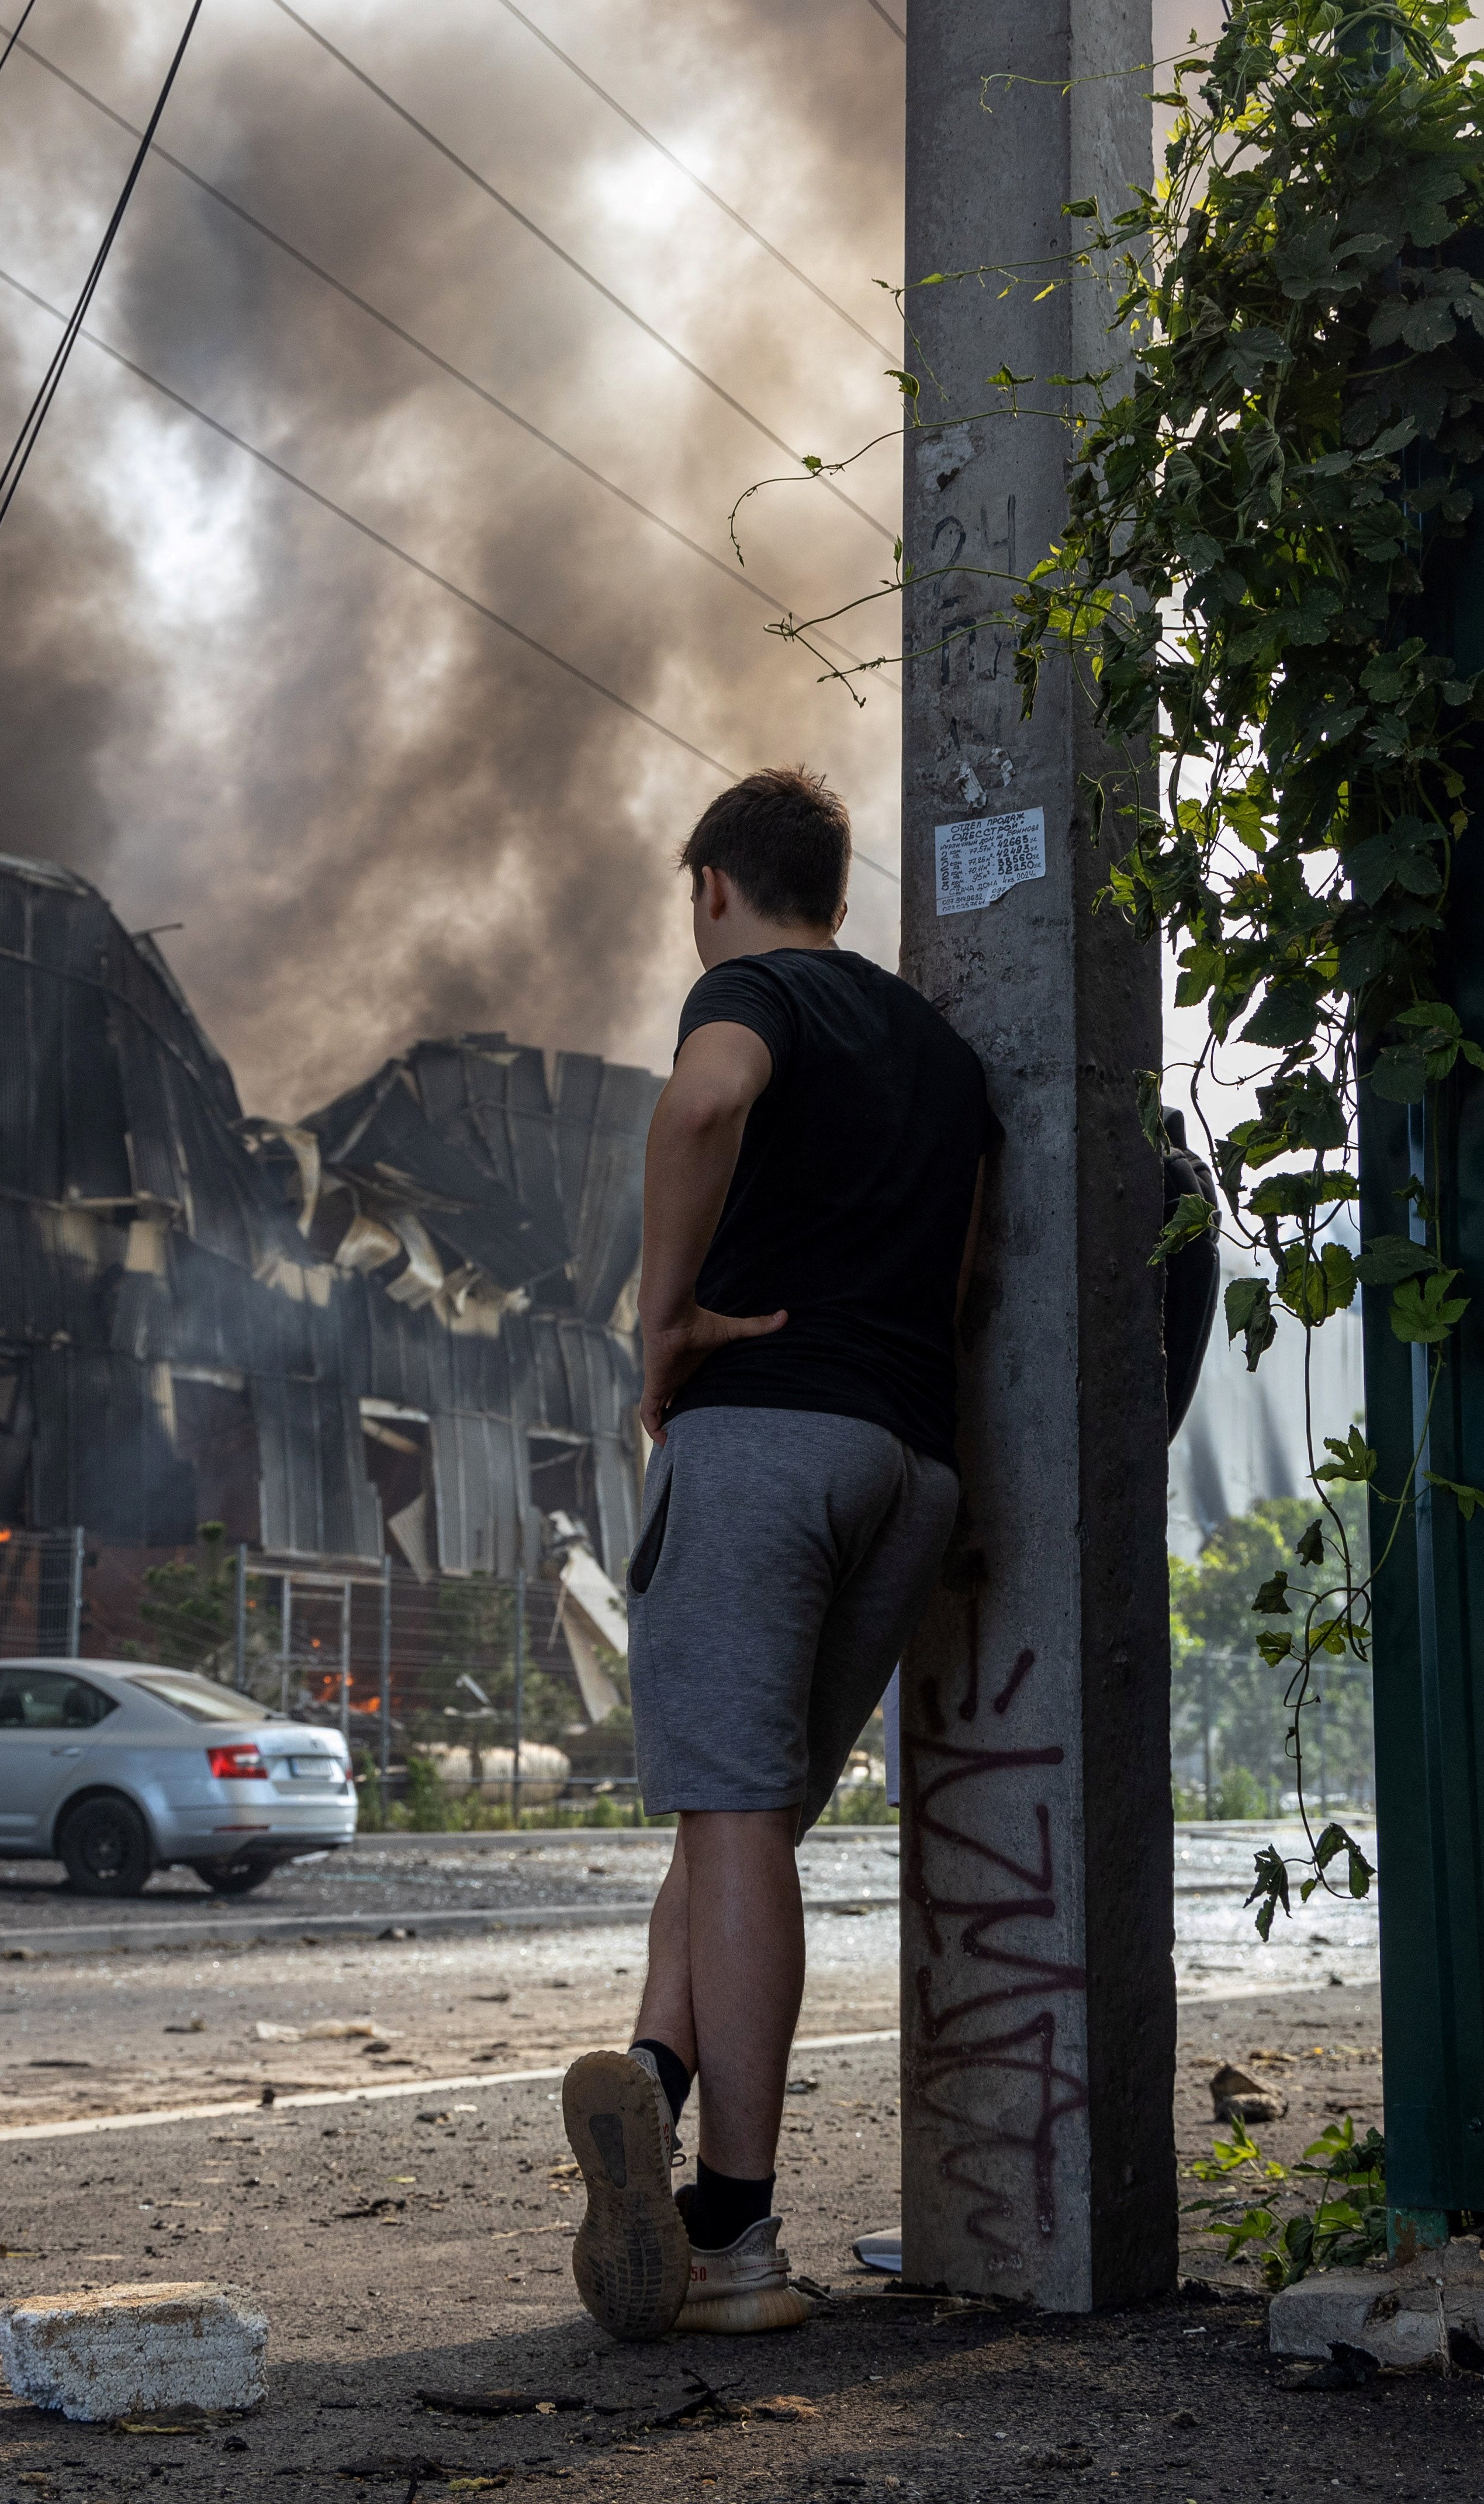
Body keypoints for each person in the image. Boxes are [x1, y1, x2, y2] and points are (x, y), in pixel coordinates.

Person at [562, 766, 991, 2340]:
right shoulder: (942, 1055)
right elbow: (960, 1272)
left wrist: (662, 1319)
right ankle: (657, 2080)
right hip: (911, 1460)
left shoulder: (748, 991)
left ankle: (735, 2239)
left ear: (715, 888)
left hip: (761, 1442)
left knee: (726, 1815)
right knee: (745, 1828)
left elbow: (703, 1102)